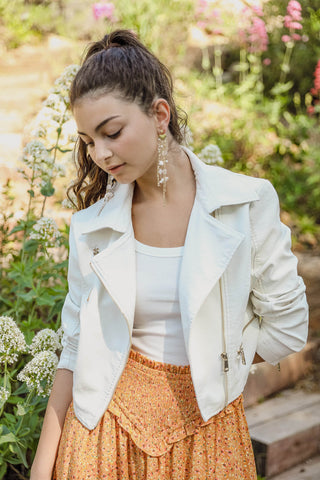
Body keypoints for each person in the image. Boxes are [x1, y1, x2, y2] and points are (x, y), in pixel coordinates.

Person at [30, 29, 308, 480]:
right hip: (101, 435)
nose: (99, 153)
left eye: (112, 132)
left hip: (208, 433)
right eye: (87, 140)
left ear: (160, 114)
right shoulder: (91, 228)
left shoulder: (246, 204)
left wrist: (215, 358)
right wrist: (43, 468)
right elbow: (76, 347)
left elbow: (289, 328)